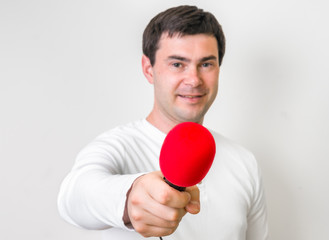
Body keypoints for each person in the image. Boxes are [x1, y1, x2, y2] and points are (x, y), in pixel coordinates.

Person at [58, 5, 269, 240]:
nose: (194, 79)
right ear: (149, 69)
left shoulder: (244, 163)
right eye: (177, 64)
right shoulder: (117, 146)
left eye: (206, 64)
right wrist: (131, 197)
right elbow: (73, 196)